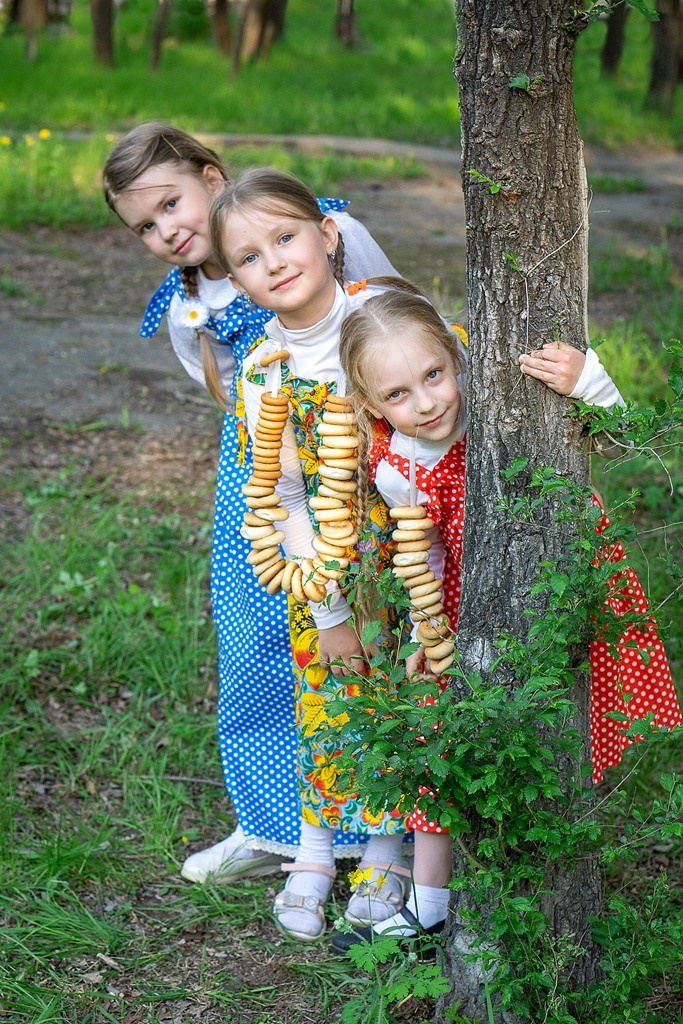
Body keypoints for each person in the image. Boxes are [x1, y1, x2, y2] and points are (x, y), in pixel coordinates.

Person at [330, 288, 682, 952]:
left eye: (434, 375)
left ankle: (552, 868)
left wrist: (588, 381)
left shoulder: (502, 406)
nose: (427, 402)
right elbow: (422, 551)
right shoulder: (399, 466)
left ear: (457, 359)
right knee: (444, 739)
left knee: (560, 720)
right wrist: (424, 632)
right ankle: (432, 905)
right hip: (469, 607)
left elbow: (614, 440)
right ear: (373, 406)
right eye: (399, 394)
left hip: (561, 582)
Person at [102, 123, 401, 884]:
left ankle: (381, 828)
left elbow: (397, 323)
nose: (166, 230)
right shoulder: (184, 308)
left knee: (363, 645)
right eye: (144, 225)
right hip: (260, 481)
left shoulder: (310, 230)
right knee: (255, 646)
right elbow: (226, 401)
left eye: (171, 203)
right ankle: (273, 828)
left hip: (352, 461)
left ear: (211, 177)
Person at [209, 166, 422, 941]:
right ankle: (315, 849)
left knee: (399, 700)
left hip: (409, 557)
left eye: (285, 237)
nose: (273, 261)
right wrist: (329, 607)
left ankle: (390, 847)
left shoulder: (383, 319)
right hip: (322, 573)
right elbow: (286, 498)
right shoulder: (265, 369)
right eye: (248, 257)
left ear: (327, 236)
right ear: (235, 280)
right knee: (326, 701)